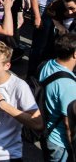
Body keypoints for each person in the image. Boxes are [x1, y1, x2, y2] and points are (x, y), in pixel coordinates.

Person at [38, 33, 76, 161]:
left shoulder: (47, 64)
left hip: (46, 131)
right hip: (60, 143)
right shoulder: (68, 85)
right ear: (75, 54)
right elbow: (68, 124)